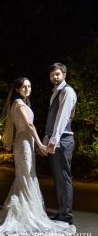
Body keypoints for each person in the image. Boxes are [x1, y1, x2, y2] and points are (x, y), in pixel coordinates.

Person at [0, 77, 76, 236]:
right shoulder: (19, 104)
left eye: (29, 86)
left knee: (27, 175)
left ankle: (25, 212)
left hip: (27, 143)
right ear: (17, 89)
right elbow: (29, 125)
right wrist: (41, 144)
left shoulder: (24, 103)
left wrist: (35, 145)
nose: (27, 89)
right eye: (23, 87)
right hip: (22, 143)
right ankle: (22, 214)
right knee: (25, 176)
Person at [43, 63, 77, 226]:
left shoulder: (67, 91)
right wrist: (46, 139)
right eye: (51, 75)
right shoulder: (55, 93)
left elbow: (62, 119)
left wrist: (53, 141)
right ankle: (62, 212)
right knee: (58, 178)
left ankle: (67, 216)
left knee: (64, 177)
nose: (54, 77)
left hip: (63, 140)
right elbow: (52, 119)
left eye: (57, 74)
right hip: (56, 139)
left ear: (64, 74)